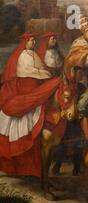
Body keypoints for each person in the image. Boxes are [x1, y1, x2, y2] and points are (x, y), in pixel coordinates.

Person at [0, 32, 60, 178]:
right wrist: (44, 74)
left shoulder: (34, 54)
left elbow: (42, 70)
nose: (33, 43)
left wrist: (43, 73)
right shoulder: (22, 55)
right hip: (26, 88)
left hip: (35, 86)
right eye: (31, 40)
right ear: (25, 42)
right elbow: (30, 72)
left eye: (34, 40)